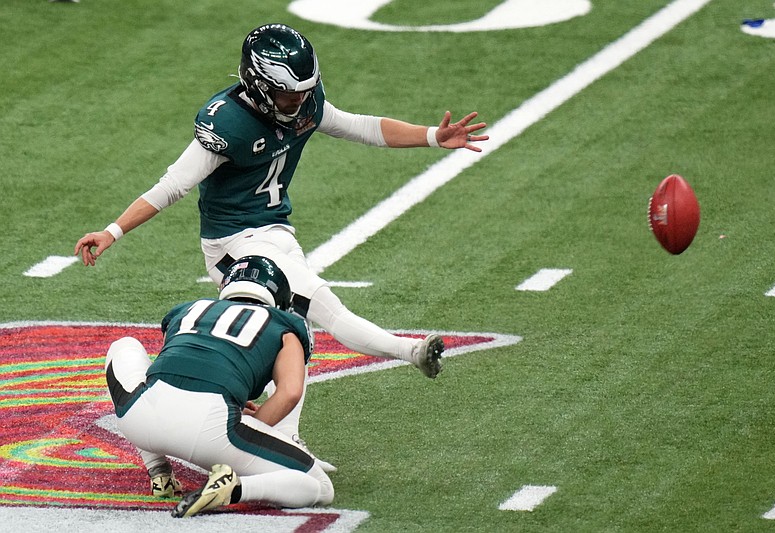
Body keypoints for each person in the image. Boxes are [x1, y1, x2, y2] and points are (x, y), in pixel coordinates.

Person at [76, 23, 489, 467]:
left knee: (291, 333)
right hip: (234, 244)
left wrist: (432, 136)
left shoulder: (303, 102)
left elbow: (360, 126)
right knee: (320, 310)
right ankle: (408, 352)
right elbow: (172, 186)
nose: (299, 103)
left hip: (274, 231)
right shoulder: (228, 123)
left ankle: (283, 437)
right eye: (290, 95)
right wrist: (112, 230)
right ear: (259, 84)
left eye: (302, 92)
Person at [105, 256, 334, 516]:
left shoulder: (189, 310)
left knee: (123, 345)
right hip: (211, 431)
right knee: (321, 487)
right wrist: (252, 424)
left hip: (140, 419)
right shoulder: (284, 326)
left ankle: (158, 469)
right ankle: (234, 489)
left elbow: (175, 366)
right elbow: (290, 392)